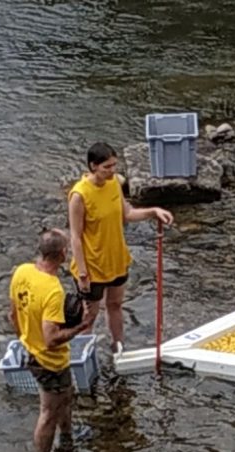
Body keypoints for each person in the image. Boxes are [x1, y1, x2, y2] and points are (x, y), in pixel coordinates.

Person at [68, 142, 173, 354]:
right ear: (93, 166)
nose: (112, 170)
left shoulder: (114, 183)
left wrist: (153, 211)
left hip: (116, 259)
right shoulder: (79, 195)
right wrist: (82, 273)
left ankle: (118, 347)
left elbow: (127, 214)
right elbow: (75, 237)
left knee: (115, 305)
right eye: (107, 166)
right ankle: (84, 356)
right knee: (89, 316)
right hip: (92, 265)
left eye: (114, 165)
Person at [9, 229, 96, 452]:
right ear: (61, 254)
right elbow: (51, 338)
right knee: (48, 412)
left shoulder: (21, 272)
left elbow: (12, 314)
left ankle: (68, 435)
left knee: (65, 396)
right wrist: (81, 326)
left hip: (32, 351)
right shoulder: (53, 291)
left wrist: (25, 339)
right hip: (49, 361)